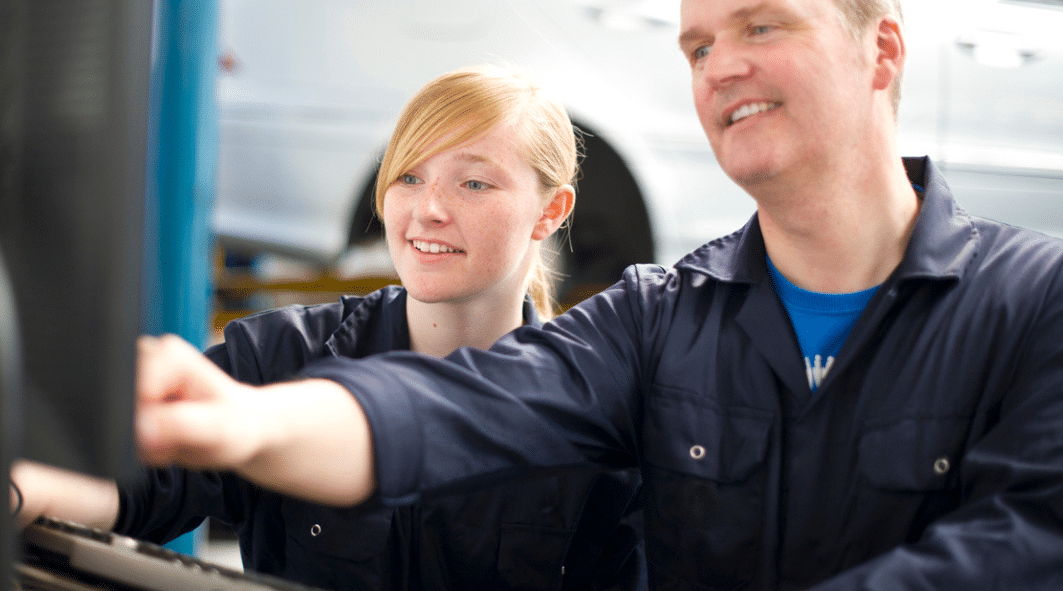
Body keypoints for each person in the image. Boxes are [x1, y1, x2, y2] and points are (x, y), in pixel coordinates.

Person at [41, 0, 1063, 588]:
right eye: (697, 46)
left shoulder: (1036, 302)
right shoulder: (656, 319)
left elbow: (1026, 542)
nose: (720, 66)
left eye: (760, 24)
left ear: (882, 50)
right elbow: (469, 403)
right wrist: (241, 418)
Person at [11, 65, 646, 591]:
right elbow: (135, 487)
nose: (428, 209)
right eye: (409, 176)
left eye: (474, 182)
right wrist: (20, 490)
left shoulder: (591, 410)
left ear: (551, 210)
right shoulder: (281, 355)